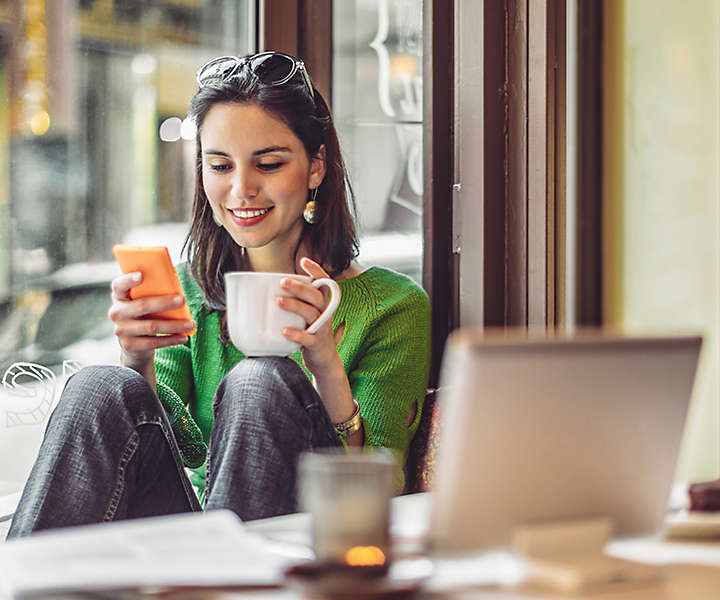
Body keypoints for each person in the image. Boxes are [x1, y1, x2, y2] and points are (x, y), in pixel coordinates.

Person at [8, 52, 431, 537]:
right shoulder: (190, 287)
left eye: (268, 164)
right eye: (220, 165)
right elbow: (183, 447)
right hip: (197, 534)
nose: (241, 189)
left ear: (316, 167)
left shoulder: (393, 306)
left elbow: (376, 489)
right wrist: (137, 360)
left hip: (303, 539)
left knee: (259, 379)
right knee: (99, 384)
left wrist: (326, 368)